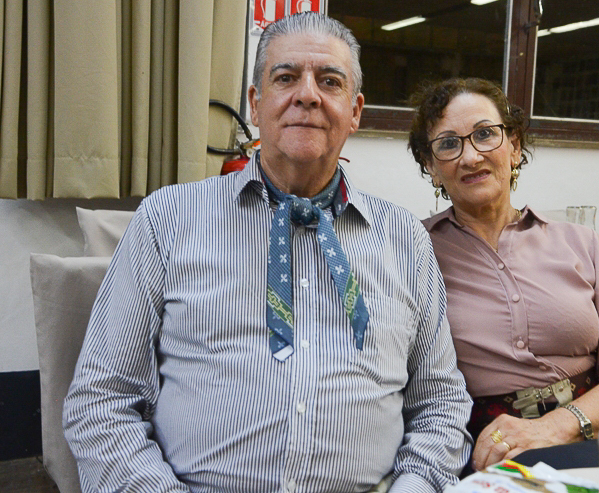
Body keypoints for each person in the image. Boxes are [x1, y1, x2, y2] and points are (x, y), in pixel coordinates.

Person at [63, 13, 472, 493]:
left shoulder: (404, 238)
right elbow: (102, 402)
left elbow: (440, 404)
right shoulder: (167, 220)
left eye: (330, 81)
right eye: (286, 77)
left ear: (355, 111)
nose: (307, 95)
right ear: (256, 105)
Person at [407, 78, 599, 472]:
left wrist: (557, 426)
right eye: (448, 143)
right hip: (492, 447)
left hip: (595, 433)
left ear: (513, 147)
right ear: (431, 167)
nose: (471, 156)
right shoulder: (413, 250)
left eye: (485, 134)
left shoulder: (581, 243)